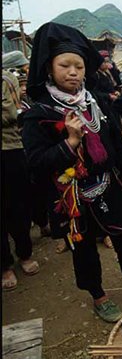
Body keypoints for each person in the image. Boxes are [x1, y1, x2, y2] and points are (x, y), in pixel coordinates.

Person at [21, 22, 122, 322]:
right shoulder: (40, 114)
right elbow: (36, 161)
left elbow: (114, 139)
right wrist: (70, 143)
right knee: (83, 248)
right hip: (71, 195)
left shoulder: (96, 102)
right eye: (65, 65)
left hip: (107, 184)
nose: (73, 72)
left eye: (79, 66)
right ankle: (99, 296)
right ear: (50, 68)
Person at [2, 70, 40, 291]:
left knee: (18, 206)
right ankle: (4, 265)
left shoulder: (7, 79)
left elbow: (11, 115)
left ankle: (24, 254)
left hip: (9, 151)